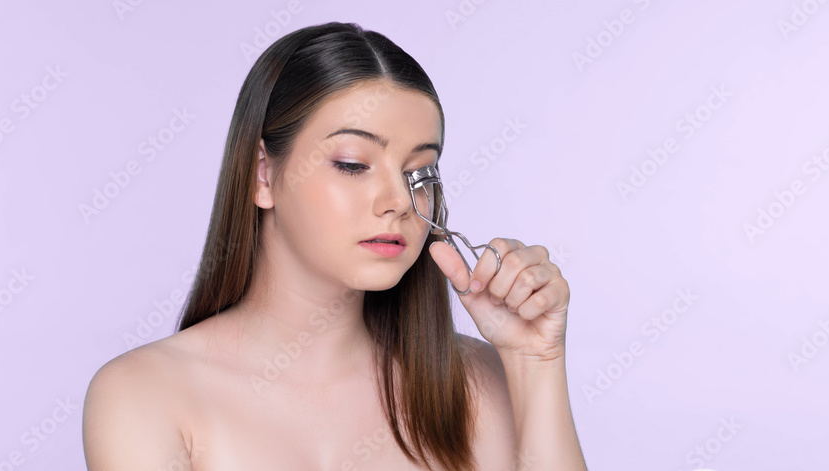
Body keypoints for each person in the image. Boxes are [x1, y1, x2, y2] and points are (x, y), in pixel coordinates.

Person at [81, 21, 586, 471]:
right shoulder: (145, 395)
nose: (398, 202)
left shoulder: (476, 386)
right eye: (352, 163)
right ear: (263, 173)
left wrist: (534, 362)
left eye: (419, 172)